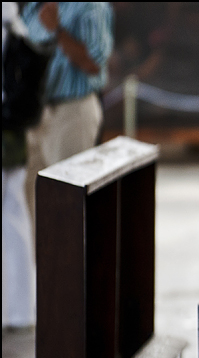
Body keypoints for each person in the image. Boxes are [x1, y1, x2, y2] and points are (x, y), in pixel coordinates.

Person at [21, 2, 113, 230]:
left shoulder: (90, 6)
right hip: (36, 114)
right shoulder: (33, 7)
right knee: (27, 202)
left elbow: (94, 62)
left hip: (73, 112)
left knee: (68, 200)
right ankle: (34, 265)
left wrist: (57, 30)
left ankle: (70, 265)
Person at [2, 1, 36, 329]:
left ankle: (15, 310)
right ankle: (20, 309)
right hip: (13, 135)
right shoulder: (17, 28)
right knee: (14, 217)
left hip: (6, 134)